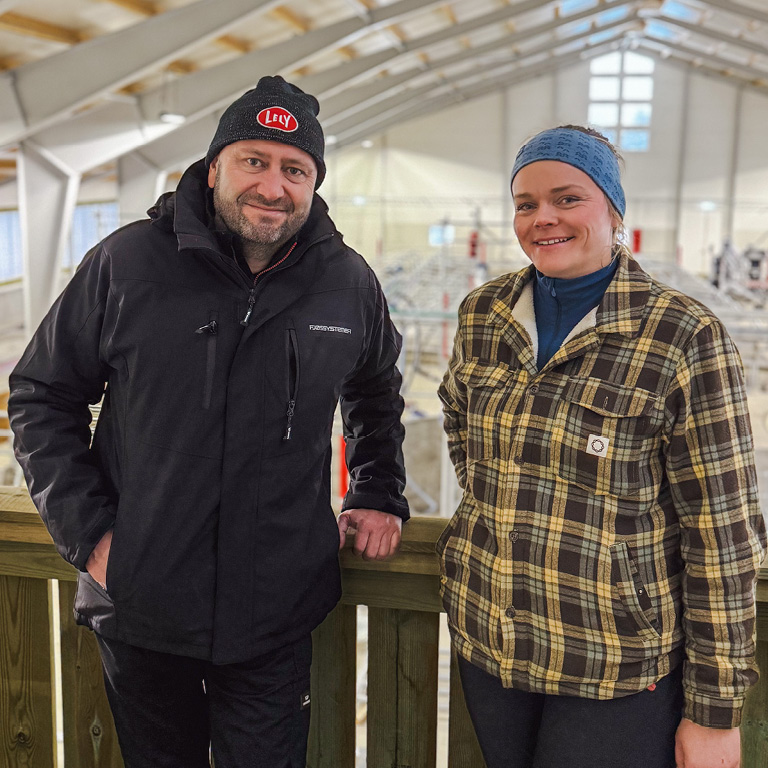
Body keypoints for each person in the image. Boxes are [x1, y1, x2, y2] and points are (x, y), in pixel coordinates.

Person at [9, 75, 409, 768]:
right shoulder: (127, 262)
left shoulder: (345, 281)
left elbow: (375, 391)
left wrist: (378, 490)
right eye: (254, 160)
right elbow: (42, 395)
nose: (272, 186)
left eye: (295, 169)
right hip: (142, 601)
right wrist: (94, 538)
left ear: (314, 183)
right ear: (216, 164)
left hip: (276, 609)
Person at [437, 125, 766, 768]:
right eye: (526, 203)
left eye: (568, 198)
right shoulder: (484, 314)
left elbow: (721, 532)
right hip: (490, 638)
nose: (544, 218)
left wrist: (715, 711)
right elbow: (460, 425)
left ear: (614, 211)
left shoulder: (682, 336)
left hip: (613, 658)